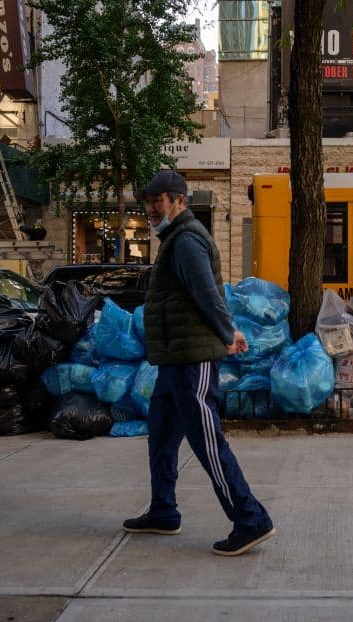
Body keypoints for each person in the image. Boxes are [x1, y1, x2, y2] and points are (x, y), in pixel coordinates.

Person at [123, 169, 275, 557]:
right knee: (161, 436)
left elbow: (207, 294)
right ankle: (163, 511)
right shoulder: (174, 239)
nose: (152, 208)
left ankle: (250, 519)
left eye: (158, 201)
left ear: (179, 201)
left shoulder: (187, 240)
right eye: (149, 202)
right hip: (174, 359)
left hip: (192, 360)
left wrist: (228, 332)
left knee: (206, 441)